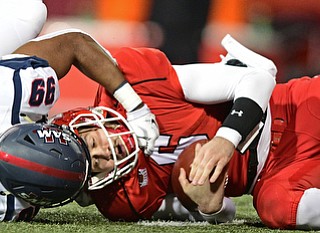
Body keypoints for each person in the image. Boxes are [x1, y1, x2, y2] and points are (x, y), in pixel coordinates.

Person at [50, 34, 277, 221]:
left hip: (281, 113)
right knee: (281, 211)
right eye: (96, 164)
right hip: (266, 179)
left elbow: (259, 78)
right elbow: (221, 211)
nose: (104, 152)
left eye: (92, 143)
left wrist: (226, 140)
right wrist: (211, 209)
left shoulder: (135, 83)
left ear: (89, 120)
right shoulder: (124, 199)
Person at [0, 29, 159, 221]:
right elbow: (74, 43)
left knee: (30, 13)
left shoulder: (17, 92)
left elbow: (74, 43)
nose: (106, 150)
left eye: (95, 162)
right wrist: (135, 106)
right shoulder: (13, 207)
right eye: (91, 143)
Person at [179, 73, 320, 230]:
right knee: (278, 207)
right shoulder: (153, 187)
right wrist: (210, 210)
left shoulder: (162, 85)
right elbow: (226, 213)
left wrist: (227, 137)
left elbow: (259, 77)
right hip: (269, 176)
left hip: (291, 111)